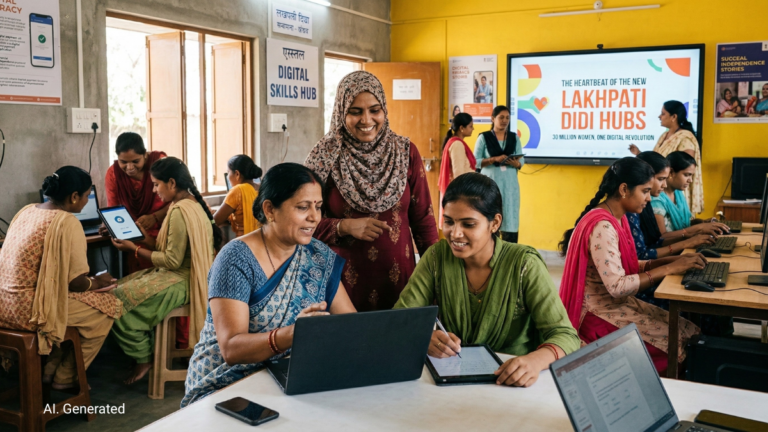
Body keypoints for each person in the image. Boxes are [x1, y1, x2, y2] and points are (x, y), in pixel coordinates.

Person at [182, 163, 356, 406]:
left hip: (287, 377)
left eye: (318, 207)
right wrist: (292, 335)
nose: (314, 217)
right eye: (303, 207)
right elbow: (232, 349)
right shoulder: (235, 259)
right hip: (226, 386)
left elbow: (350, 325)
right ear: (270, 209)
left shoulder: (318, 255)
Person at [394, 173, 579, 387]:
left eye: (468, 224)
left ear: (495, 223)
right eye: (449, 222)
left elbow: (565, 336)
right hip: (451, 383)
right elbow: (401, 319)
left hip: (511, 383)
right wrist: (424, 338)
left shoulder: (524, 265)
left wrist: (534, 362)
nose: (455, 234)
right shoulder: (437, 257)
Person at [305, 71, 439, 312]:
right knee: (350, 346)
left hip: (402, 284)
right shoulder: (324, 156)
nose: (366, 120)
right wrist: (343, 226)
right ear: (340, 111)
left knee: (401, 344)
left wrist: (438, 277)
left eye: (374, 110)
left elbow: (424, 221)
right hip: (341, 288)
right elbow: (301, 222)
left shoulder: (405, 152)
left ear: (384, 111)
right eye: (355, 112)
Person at [559, 157, 704, 374]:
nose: (649, 197)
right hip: (596, 315)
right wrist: (667, 269)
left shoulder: (619, 218)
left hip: (616, 305)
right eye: (645, 191)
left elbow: (626, 264)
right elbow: (617, 286)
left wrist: (673, 262)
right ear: (625, 189)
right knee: (675, 345)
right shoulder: (603, 226)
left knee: (687, 331)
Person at [0, 167, 121, 389]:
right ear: (74, 196)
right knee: (107, 308)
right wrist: (97, 282)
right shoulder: (66, 221)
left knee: (77, 316)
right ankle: (65, 377)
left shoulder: (26, 211)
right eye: (86, 196)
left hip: (5, 307)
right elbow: (76, 283)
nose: (86, 201)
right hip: (32, 311)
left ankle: (49, 372)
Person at [109, 157, 220, 384]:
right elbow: (167, 249)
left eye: (156, 184)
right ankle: (145, 348)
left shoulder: (180, 211)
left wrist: (134, 249)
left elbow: (170, 260)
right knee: (117, 286)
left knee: (115, 300)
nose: (154, 190)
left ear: (171, 183)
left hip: (180, 281)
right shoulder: (190, 204)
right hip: (188, 277)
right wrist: (138, 237)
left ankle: (143, 357)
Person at [629, 151, 716, 261]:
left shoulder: (648, 201)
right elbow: (642, 255)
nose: (664, 185)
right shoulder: (634, 210)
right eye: (661, 179)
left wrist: (692, 234)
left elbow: (656, 241)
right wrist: (687, 241)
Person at [630, 100, 704, 214]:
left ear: (674, 116)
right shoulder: (664, 136)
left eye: (663, 113)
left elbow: (686, 167)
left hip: (676, 191)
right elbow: (657, 161)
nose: (659, 116)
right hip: (660, 190)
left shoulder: (685, 138)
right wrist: (639, 154)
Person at [474, 105, 524, 243]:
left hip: (510, 187)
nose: (504, 120)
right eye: (501, 117)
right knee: (490, 217)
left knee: (510, 218)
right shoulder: (484, 137)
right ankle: (488, 253)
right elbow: (475, 161)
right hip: (490, 184)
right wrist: (493, 159)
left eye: (507, 118)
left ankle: (509, 256)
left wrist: (516, 163)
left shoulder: (514, 138)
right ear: (492, 118)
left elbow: (522, 161)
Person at [651, 151, 730, 235]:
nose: (690, 180)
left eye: (691, 175)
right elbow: (662, 237)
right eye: (686, 175)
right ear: (671, 173)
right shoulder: (656, 200)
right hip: (673, 246)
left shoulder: (678, 194)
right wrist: (700, 228)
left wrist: (702, 222)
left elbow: (682, 225)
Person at [438, 113, 476, 229]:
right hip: (460, 192)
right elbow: (459, 173)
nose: (472, 129)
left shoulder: (455, 142)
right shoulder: (457, 144)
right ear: (461, 128)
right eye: (470, 126)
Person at [213, 154, 262, 237]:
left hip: (244, 243)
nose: (228, 176)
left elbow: (215, 221)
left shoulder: (237, 191)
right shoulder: (261, 187)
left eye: (228, 172)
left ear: (237, 174)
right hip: (262, 242)